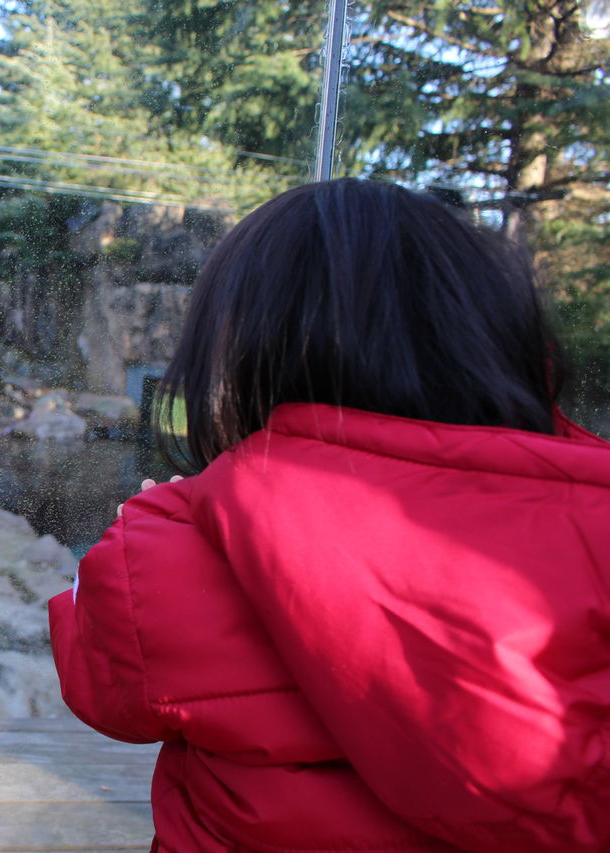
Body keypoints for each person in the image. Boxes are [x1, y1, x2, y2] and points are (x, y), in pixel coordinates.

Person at [48, 178, 610, 852]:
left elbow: (101, 681)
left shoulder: (175, 551)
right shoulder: (592, 525)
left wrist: (137, 526)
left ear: (240, 360)